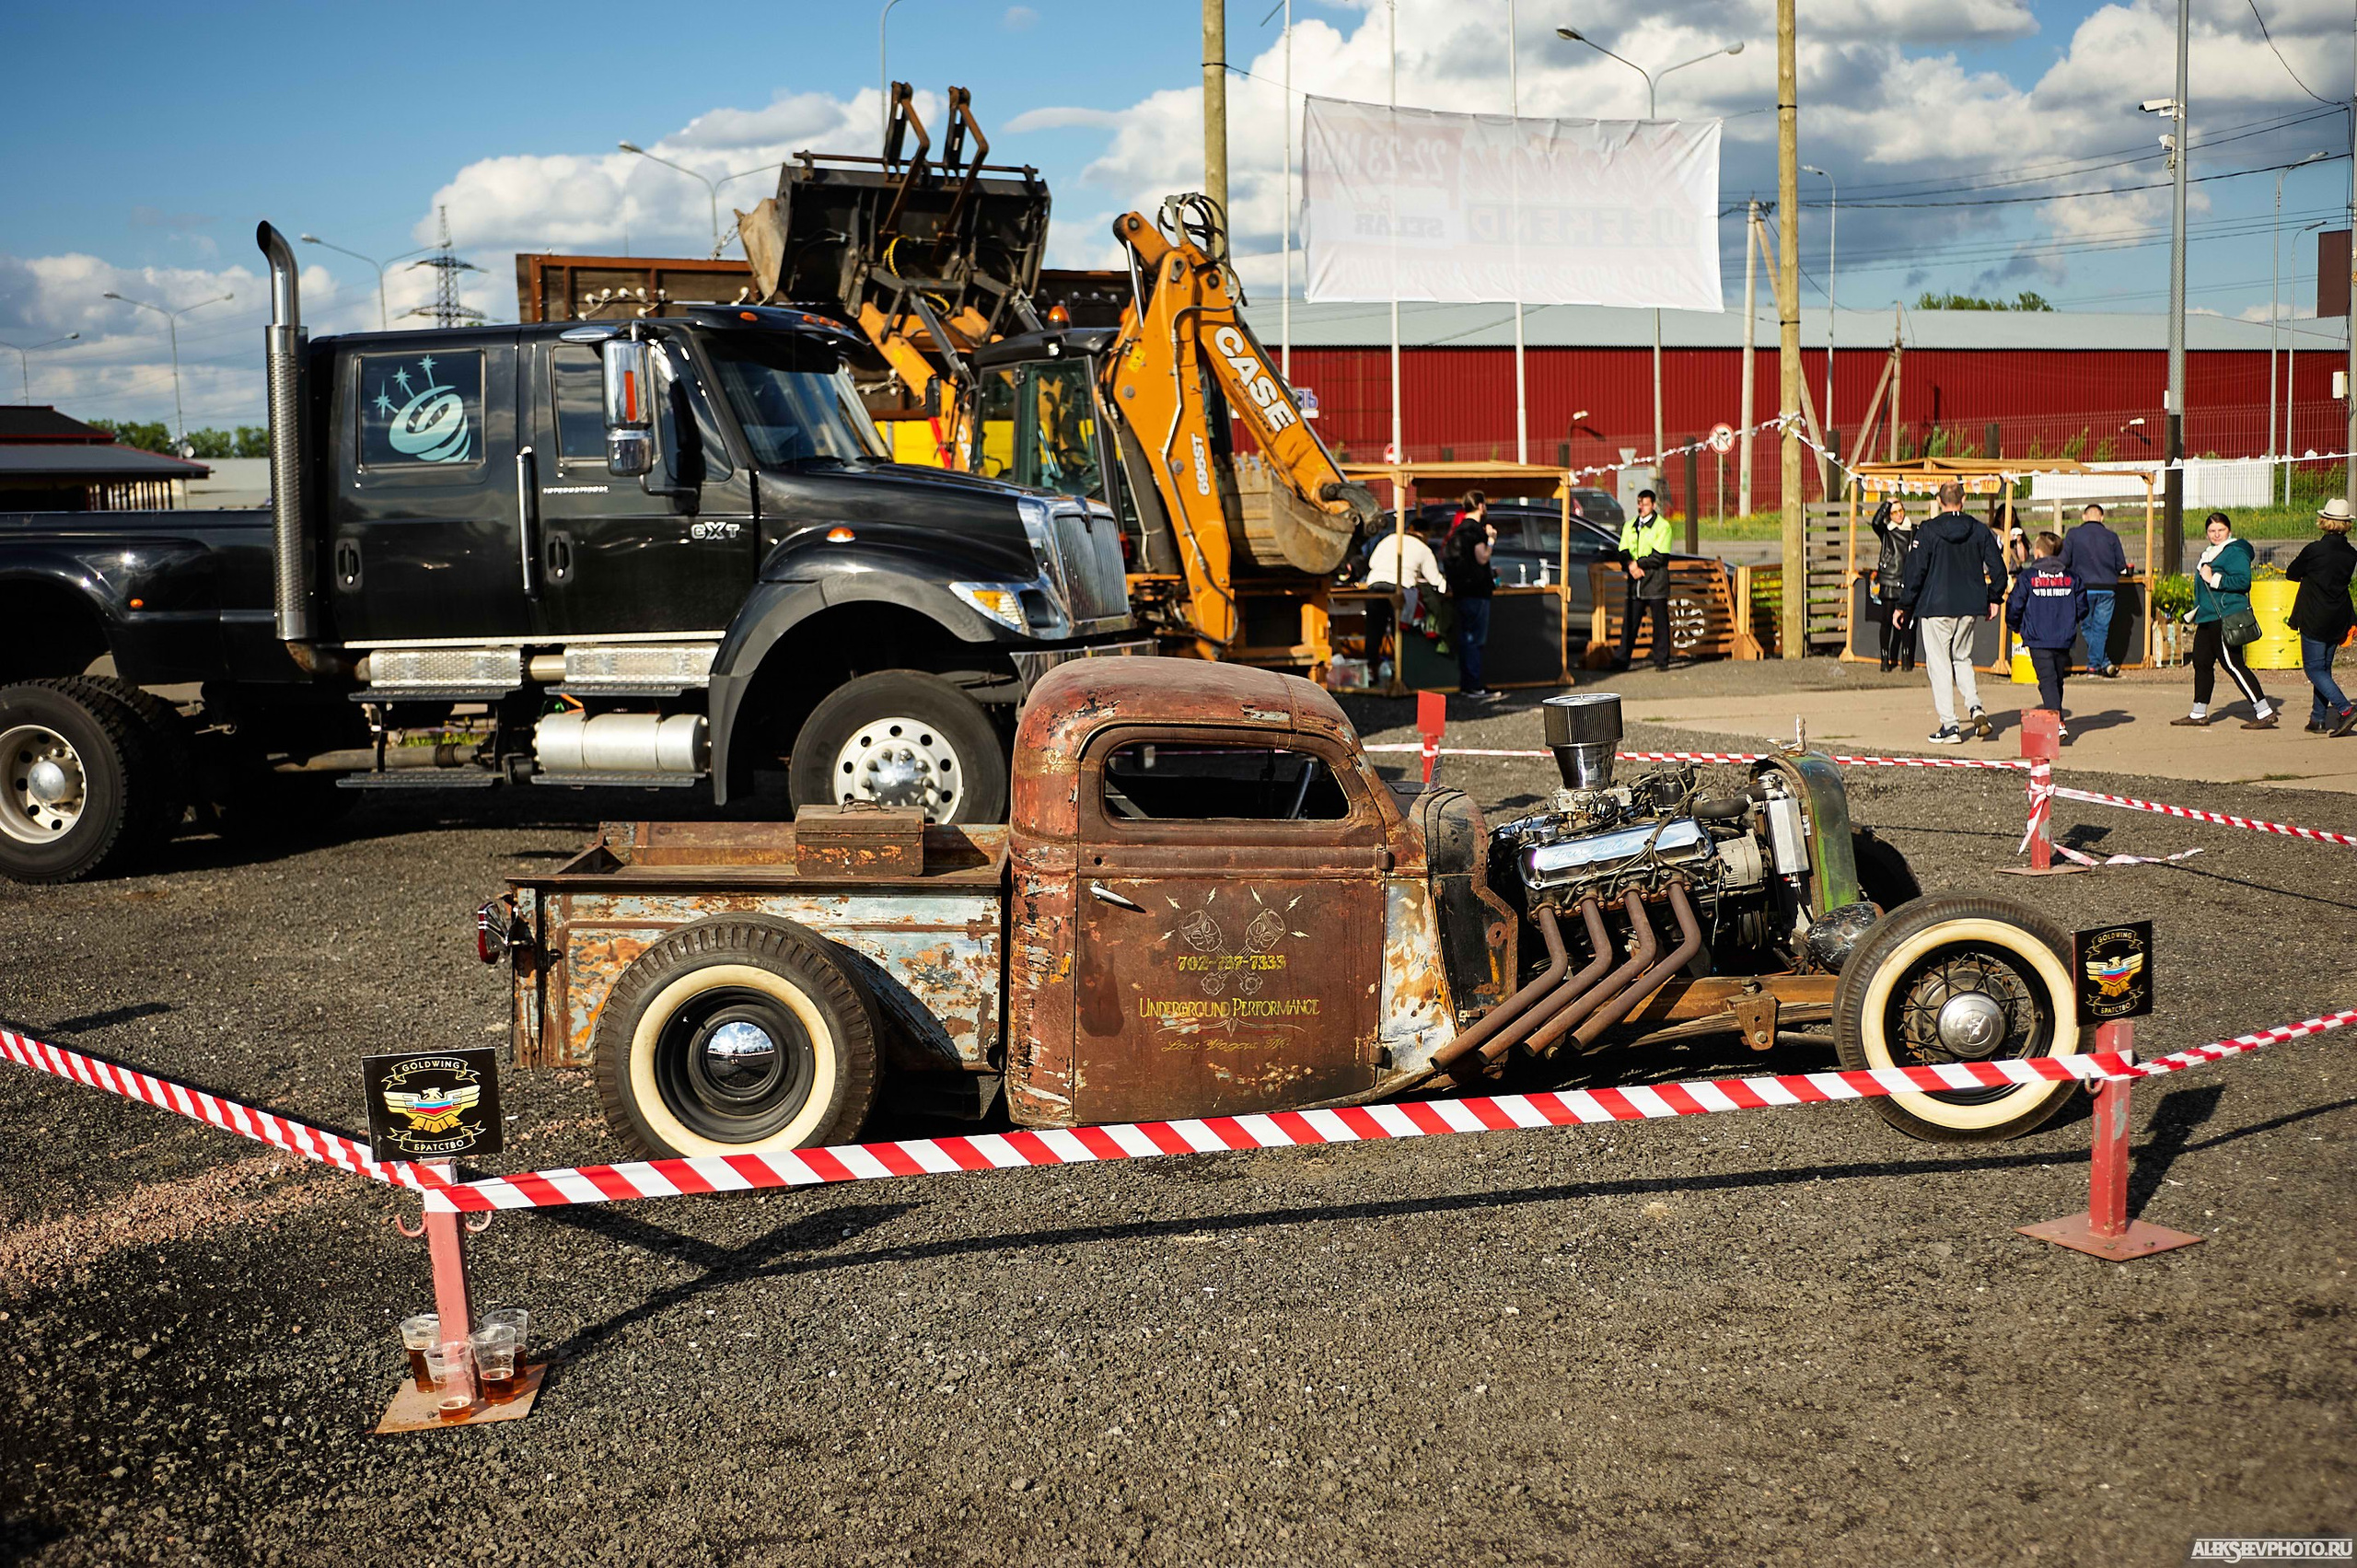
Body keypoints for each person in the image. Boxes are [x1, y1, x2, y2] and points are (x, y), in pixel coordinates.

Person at [1896, 481, 2007, 745]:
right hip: (1969, 605)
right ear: (1964, 499)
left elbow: (1915, 571)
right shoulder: (1979, 529)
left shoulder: (1928, 530)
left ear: (1939, 500)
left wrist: (1904, 604)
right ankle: (1975, 706)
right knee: (1962, 658)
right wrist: (1993, 597)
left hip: (1936, 606)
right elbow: (1998, 569)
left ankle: (1950, 725)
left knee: (1940, 665)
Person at [2172, 511, 2277, 729]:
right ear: (2206, 533)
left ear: (2229, 531)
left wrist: (2214, 578)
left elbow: (2243, 581)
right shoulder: (2210, 553)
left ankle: (2264, 711)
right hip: (2208, 616)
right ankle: (2198, 713)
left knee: (2233, 664)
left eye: (2221, 530)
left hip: (2225, 615)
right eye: (2212, 530)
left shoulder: (2234, 551)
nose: (2216, 534)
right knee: (2201, 661)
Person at [2284, 496, 2357, 736]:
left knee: (2314, 669)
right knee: (2324, 669)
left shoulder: (2314, 550)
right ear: (2347, 524)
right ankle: (2318, 719)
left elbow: (2292, 573)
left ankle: (2346, 709)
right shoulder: (2351, 553)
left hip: (2315, 615)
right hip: (2339, 616)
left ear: (2324, 521)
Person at [2006, 530, 2088, 738]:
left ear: (2038, 552)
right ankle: (2057, 716)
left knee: (2048, 680)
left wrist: (2014, 625)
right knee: (2055, 679)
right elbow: (2082, 607)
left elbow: (2015, 605)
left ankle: (2056, 720)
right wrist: (2069, 620)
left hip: (2038, 637)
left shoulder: (2028, 577)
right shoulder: (2072, 578)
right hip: (2063, 636)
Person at [2057, 502, 2128, 678]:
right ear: (2102, 517)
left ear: (2084, 516)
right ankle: (2104, 663)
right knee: (2101, 628)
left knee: (2087, 626)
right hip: (2107, 588)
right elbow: (2121, 565)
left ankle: (2094, 666)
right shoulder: (2111, 536)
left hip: (2082, 588)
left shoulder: (2073, 534)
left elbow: (2064, 560)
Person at [1443, 491, 1498, 700]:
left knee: (1466, 638)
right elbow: (1482, 557)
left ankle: (1467, 684)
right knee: (1475, 639)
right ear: (1481, 506)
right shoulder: (1475, 530)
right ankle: (1474, 685)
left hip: (1461, 591)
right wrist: (1491, 540)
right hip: (1477, 591)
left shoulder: (1458, 530)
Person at [1615, 488, 1676, 671]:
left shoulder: (1662, 526)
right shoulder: (1630, 525)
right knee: (1630, 623)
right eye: (1640, 504)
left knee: (1660, 623)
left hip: (1655, 580)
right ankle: (1621, 660)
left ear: (1654, 505)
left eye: (1646, 504)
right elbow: (1622, 550)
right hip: (1636, 582)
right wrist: (1630, 565)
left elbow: (1660, 556)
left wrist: (1638, 564)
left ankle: (1661, 661)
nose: (1641, 508)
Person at [1870, 496, 1918, 673]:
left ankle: (1906, 658)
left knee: (1907, 623)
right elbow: (1875, 522)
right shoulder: (1886, 531)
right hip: (1889, 580)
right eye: (1894, 512)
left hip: (1907, 580)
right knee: (1886, 621)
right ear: (1889, 515)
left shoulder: (1913, 530)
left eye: (1900, 511)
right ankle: (1885, 658)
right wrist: (1887, 504)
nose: (1899, 515)